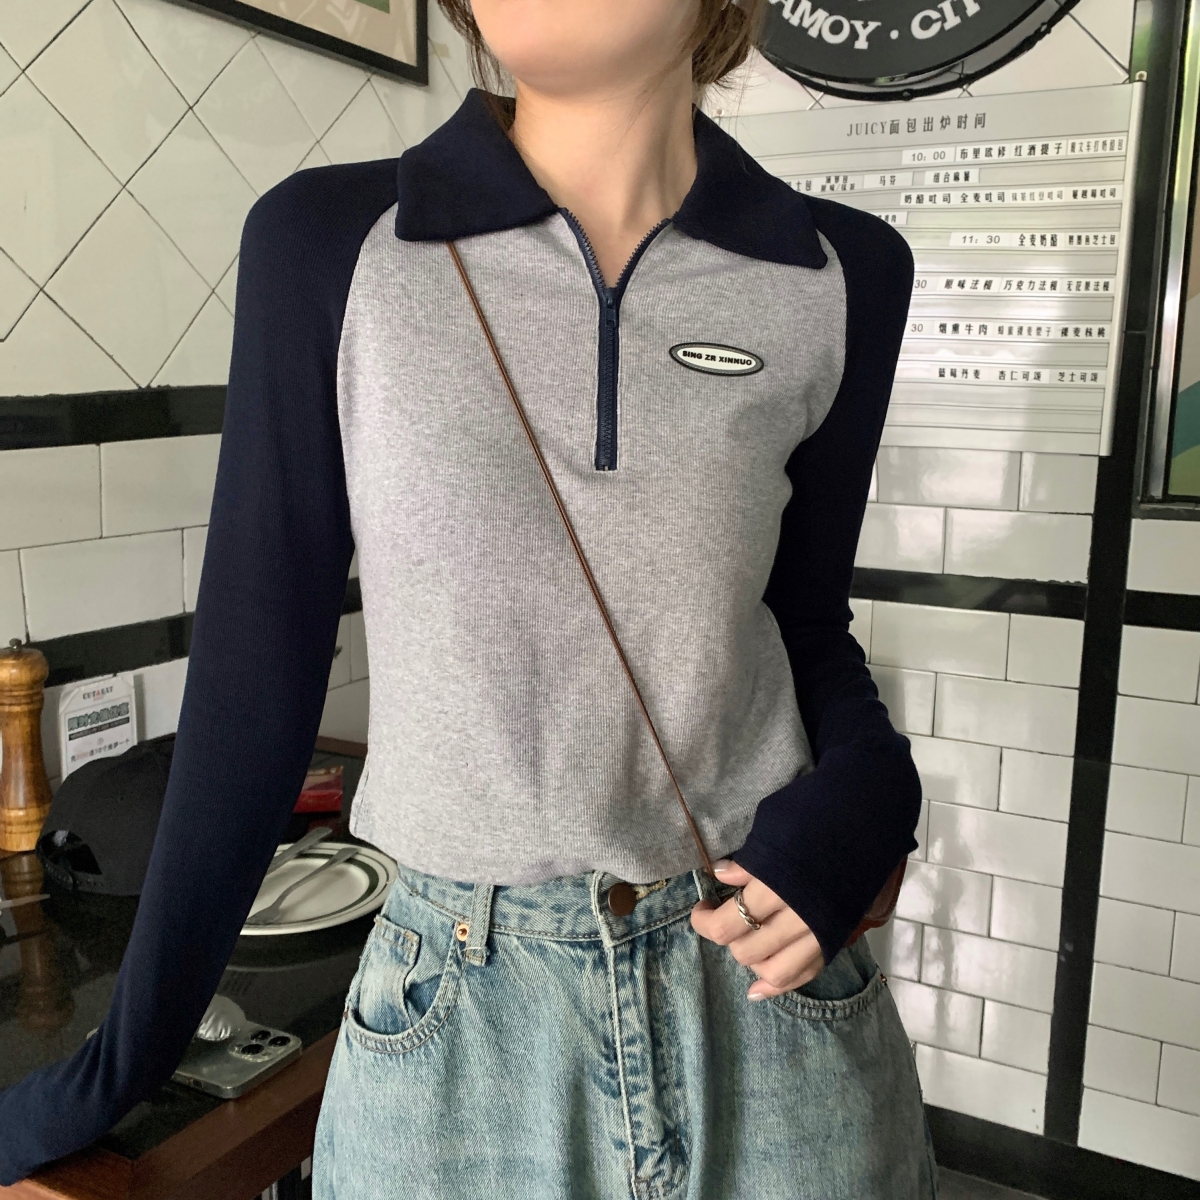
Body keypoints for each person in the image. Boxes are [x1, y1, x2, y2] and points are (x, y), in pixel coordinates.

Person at [0, 1, 935, 1196]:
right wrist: (109, 1074)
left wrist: (875, 796)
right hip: (457, 1017)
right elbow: (253, 683)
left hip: (764, 998)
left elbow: (805, 626)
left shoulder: (840, 272)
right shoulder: (332, 241)